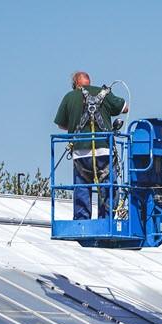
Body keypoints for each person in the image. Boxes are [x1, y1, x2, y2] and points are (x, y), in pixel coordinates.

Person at [53, 71, 128, 220]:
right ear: (90, 82)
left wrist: (75, 123)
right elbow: (125, 108)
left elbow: (61, 125)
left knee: (81, 187)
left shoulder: (70, 97)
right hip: (103, 150)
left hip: (80, 152)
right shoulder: (104, 93)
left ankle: (82, 220)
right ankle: (107, 219)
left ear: (75, 84)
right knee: (107, 186)